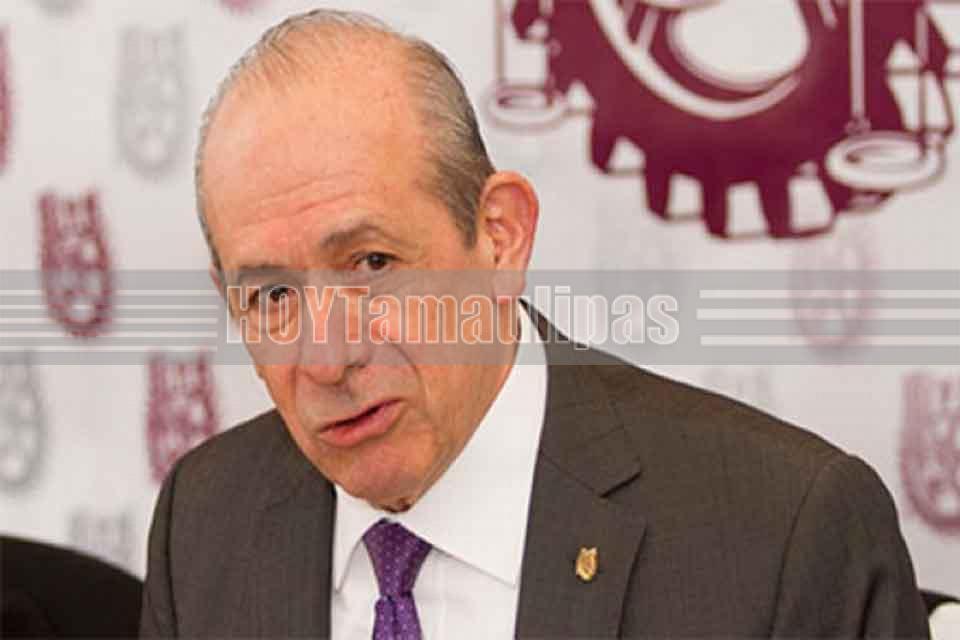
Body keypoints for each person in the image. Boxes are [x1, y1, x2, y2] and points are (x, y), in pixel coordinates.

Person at [140, 9, 930, 639]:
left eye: (372, 263)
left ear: (501, 236)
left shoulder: (782, 535)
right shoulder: (204, 521)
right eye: (272, 297)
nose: (325, 358)